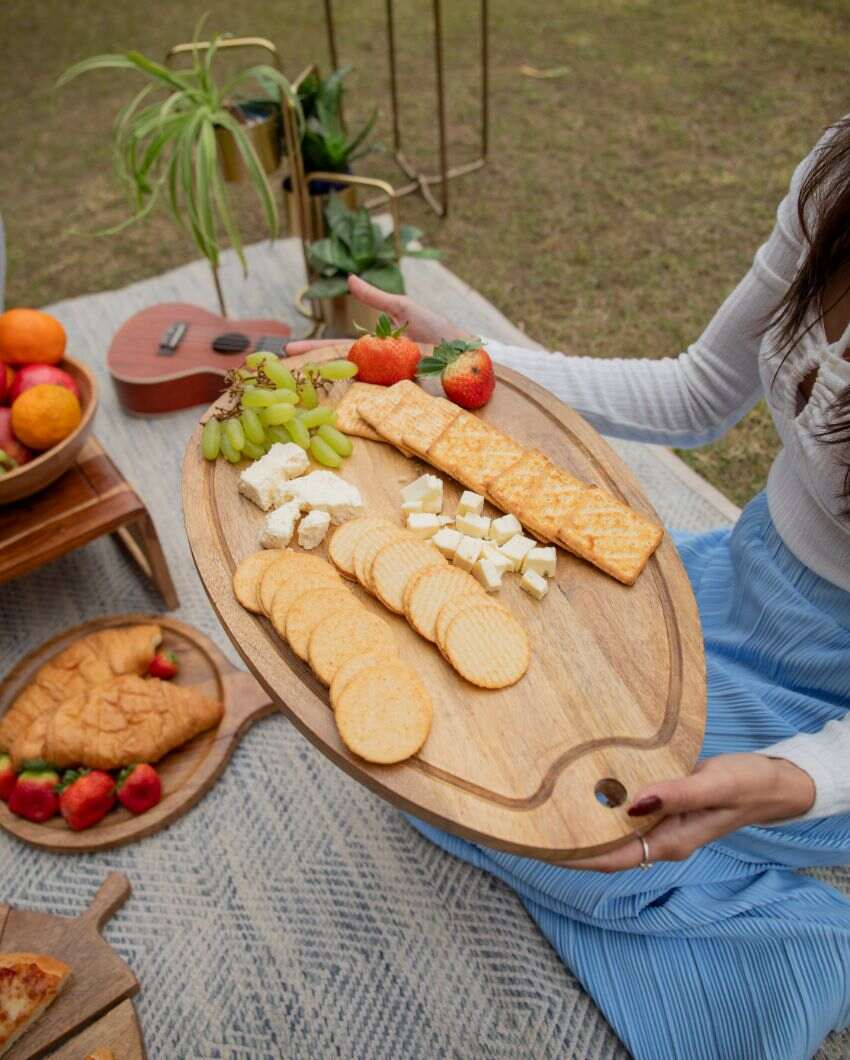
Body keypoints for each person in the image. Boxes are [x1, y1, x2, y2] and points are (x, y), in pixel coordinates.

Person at [288, 119, 850, 1059]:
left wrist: (801, 781)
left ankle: (804, 944)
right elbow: (697, 391)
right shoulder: (838, 167)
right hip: (726, 577)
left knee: (567, 816)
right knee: (444, 723)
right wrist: (478, 366)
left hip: (828, 693)